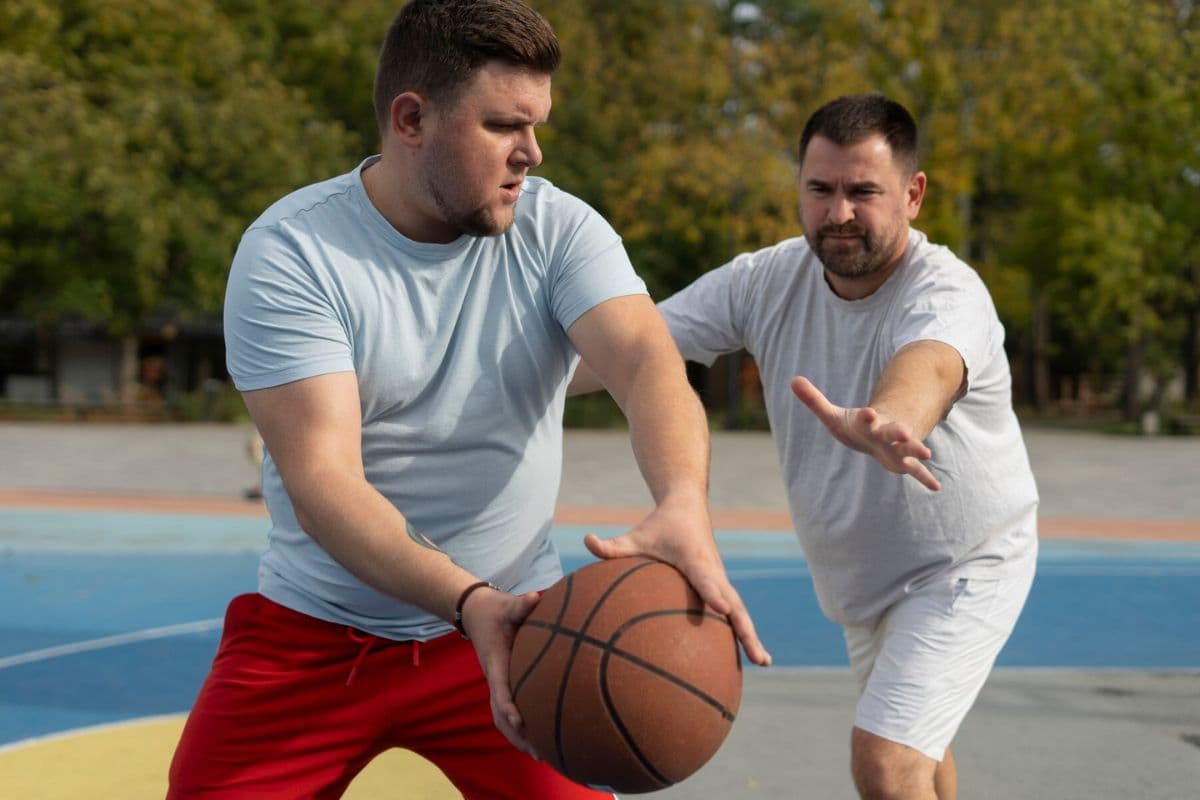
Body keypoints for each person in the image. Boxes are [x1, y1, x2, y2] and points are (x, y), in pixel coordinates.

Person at [166, 2, 769, 798]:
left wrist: (683, 500)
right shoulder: (296, 253)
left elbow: (645, 362)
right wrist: (465, 600)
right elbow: (324, 483)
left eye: (536, 125)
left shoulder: (560, 231)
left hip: (518, 627)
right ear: (411, 119)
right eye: (503, 125)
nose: (532, 153)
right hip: (319, 634)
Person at [572, 94, 1038, 800]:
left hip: (963, 565)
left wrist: (890, 418)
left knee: (885, 762)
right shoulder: (765, 280)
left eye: (863, 192)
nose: (838, 212)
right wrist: (503, 386)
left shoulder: (948, 292)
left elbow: (931, 364)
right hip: (867, 583)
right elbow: (632, 348)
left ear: (912, 195)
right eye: (820, 189)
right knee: (919, 749)